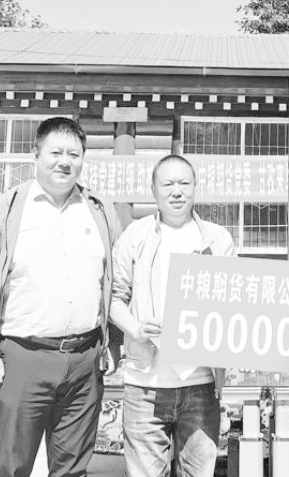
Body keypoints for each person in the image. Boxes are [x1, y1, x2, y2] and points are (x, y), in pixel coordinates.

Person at [0, 116, 120, 477]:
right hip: (23, 357)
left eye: (74, 154)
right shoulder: (5, 208)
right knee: (10, 465)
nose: (65, 162)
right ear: (36, 154)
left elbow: (116, 279)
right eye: (56, 152)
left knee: (72, 468)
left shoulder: (99, 210)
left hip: (85, 359)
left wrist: (114, 341)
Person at [110, 154, 236, 477]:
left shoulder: (218, 239)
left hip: (201, 384)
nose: (176, 191)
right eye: (167, 184)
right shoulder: (135, 236)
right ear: (153, 189)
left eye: (184, 183)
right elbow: (113, 298)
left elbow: (233, 303)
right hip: (145, 386)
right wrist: (136, 328)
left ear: (195, 187)